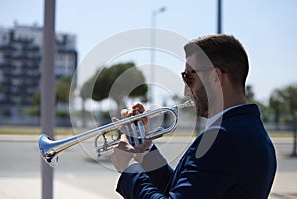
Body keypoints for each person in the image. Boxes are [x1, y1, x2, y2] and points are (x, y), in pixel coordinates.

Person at [111, 34, 277, 199]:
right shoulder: (253, 131)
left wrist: (129, 168)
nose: (186, 91)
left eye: (188, 78)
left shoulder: (222, 138)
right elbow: (187, 190)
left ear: (215, 78)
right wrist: (144, 149)